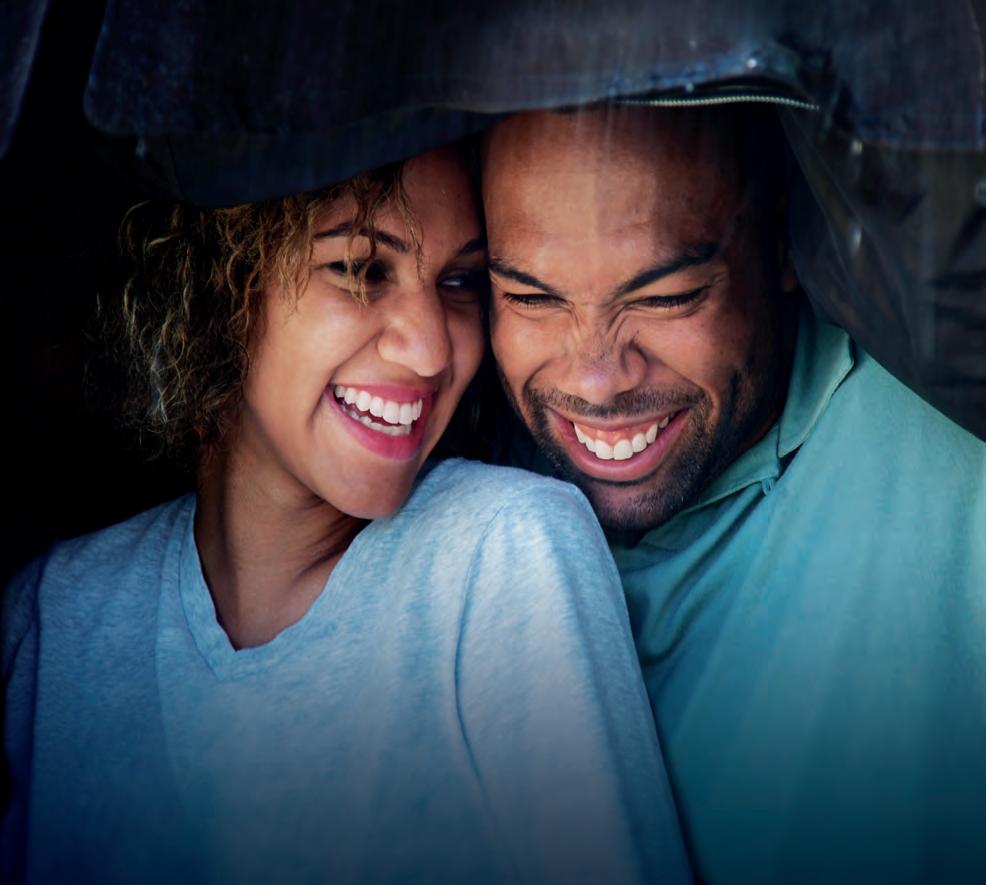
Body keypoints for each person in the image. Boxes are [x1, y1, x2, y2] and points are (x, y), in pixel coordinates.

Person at [1, 144, 691, 884]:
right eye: (361, 270)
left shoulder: (503, 553)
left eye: (459, 282)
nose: (431, 350)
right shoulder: (58, 615)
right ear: (215, 283)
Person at [482, 105, 986, 882]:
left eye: (665, 297)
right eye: (532, 299)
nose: (597, 379)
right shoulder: (445, 476)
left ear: (784, 241)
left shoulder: (953, 463)